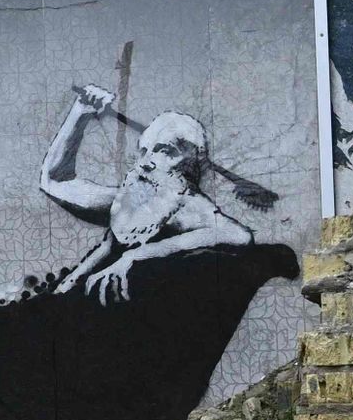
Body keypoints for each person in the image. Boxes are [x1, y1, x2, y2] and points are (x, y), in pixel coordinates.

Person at [36, 85, 254, 302]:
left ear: (190, 165)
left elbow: (238, 235)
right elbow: (55, 181)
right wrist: (81, 112)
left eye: (165, 151)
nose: (145, 163)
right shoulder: (131, 202)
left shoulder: (188, 207)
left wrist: (139, 255)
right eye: (144, 150)